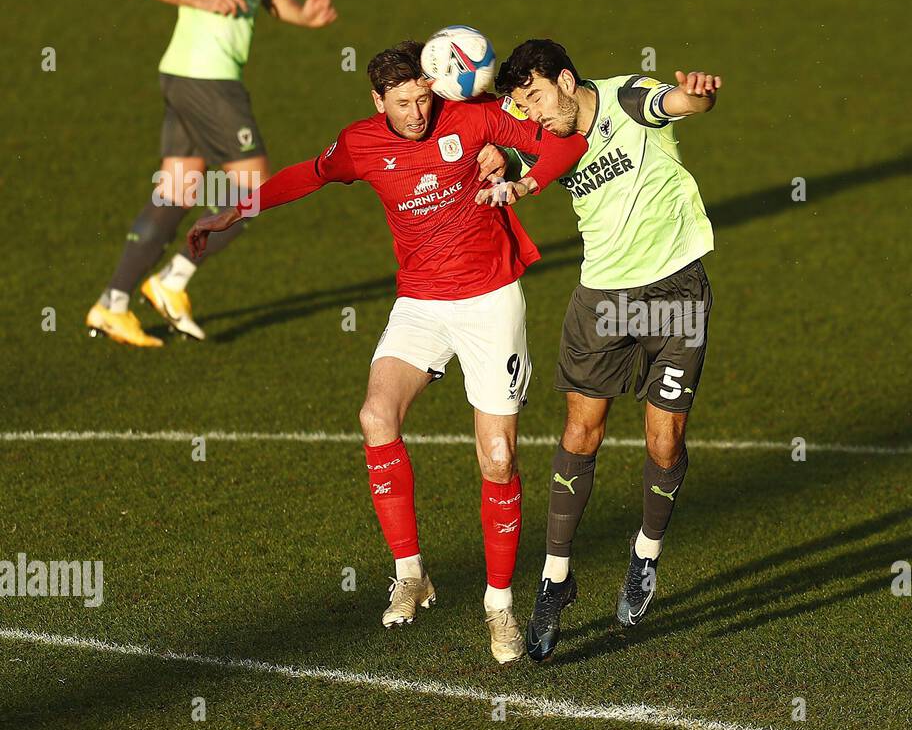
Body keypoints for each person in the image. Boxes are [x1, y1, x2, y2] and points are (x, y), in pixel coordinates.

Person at [188, 40, 587, 663]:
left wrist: (517, 170)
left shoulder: (472, 115)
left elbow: (565, 140)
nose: (417, 114)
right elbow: (307, 176)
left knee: (499, 457)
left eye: (424, 99)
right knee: (377, 416)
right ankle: (411, 573)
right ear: (378, 101)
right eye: (402, 105)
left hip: (490, 302)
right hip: (421, 304)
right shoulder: (359, 143)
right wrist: (231, 214)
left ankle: (500, 607)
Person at [491, 39, 720, 661]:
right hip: (603, 300)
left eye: (537, 96)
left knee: (664, 440)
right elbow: (504, 153)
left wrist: (695, 95)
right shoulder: (541, 133)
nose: (533, 113)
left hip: (675, 290)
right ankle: (556, 579)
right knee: (580, 431)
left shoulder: (626, 96)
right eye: (521, 104)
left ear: (566, 80)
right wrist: (493, 159)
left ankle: (644, 558)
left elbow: (679, 103)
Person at [88, 0, 337, 347]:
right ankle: (172, 280)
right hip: (205, 73)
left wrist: (301, 14)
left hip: (198, 74)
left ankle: (112, 304)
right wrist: (203, 0)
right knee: (256, 190)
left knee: (179, 189)